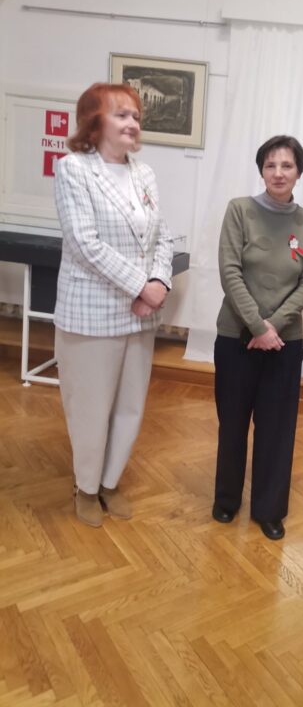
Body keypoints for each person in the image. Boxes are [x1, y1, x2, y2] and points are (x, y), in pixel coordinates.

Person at [54, 83, 173, 528]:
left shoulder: (144, 174)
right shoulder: (73, 169)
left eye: (136, 116)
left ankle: (109, 482)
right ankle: (85, 487)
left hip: (140, 315)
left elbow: (161, 235)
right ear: (94, 120)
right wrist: (142, 286)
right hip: (91, 312)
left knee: (130, 406)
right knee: (90, 407)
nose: (132, 123)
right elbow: (84, 243)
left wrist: (159, 281)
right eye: (121, 114)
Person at [212, 135, 303, 540]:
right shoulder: (240, 210)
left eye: (286, 165)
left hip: (284, 343)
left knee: (277, 429)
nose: (278, 173)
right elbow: (230, 271)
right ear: (261, 170)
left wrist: (274, 326)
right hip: (236, 336)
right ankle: (226, 500)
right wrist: (258, 326)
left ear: (298, 172)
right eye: (270, 165)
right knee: (233, 423)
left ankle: (269, 510)